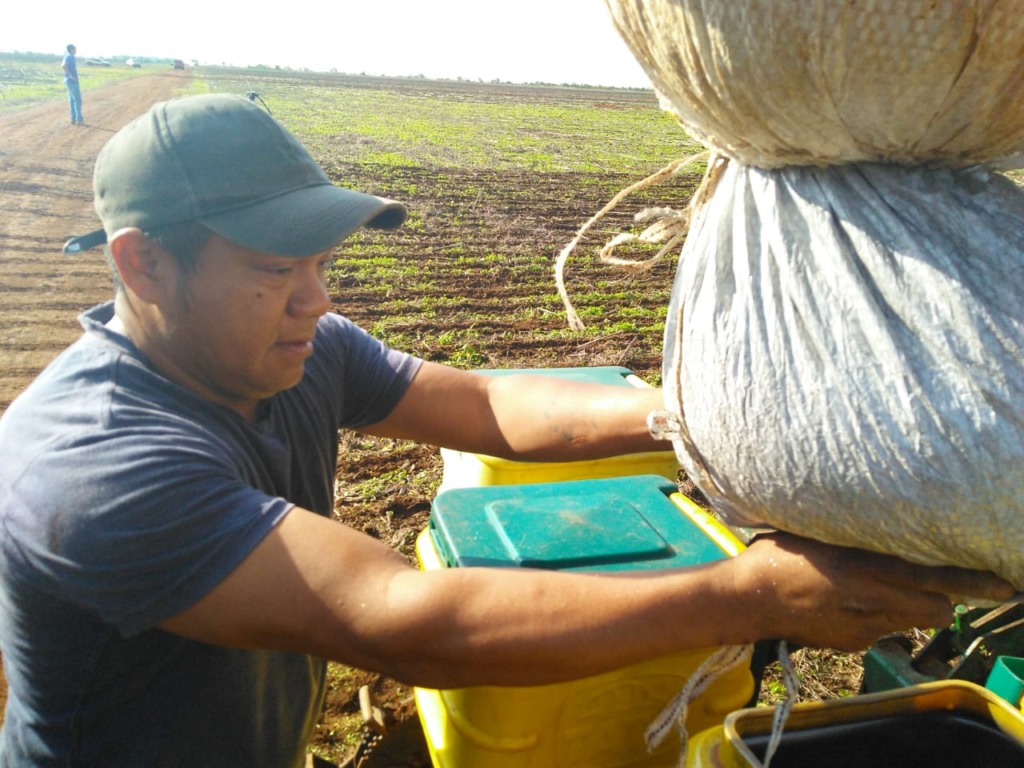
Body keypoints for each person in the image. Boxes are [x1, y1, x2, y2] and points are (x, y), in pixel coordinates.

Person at [0, 94, 1011, 767]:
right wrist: (746, 593)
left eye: (321, 263)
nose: (314, 298)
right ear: (142, 268)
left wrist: (705, 421)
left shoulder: (291, 348)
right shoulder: (90, 467)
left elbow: (485, 407)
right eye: (274, 269)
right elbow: (401, 619)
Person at [61, 44, 84, 126]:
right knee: (77, 100)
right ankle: (79, 119)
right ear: (71, 49)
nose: (76, 50)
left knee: (72, 100)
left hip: (69, 81)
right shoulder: (69, 56)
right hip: (71, 81)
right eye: (74, 49)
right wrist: (71, 76)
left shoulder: (68, 56)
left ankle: (73, 119)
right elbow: (63, 66)